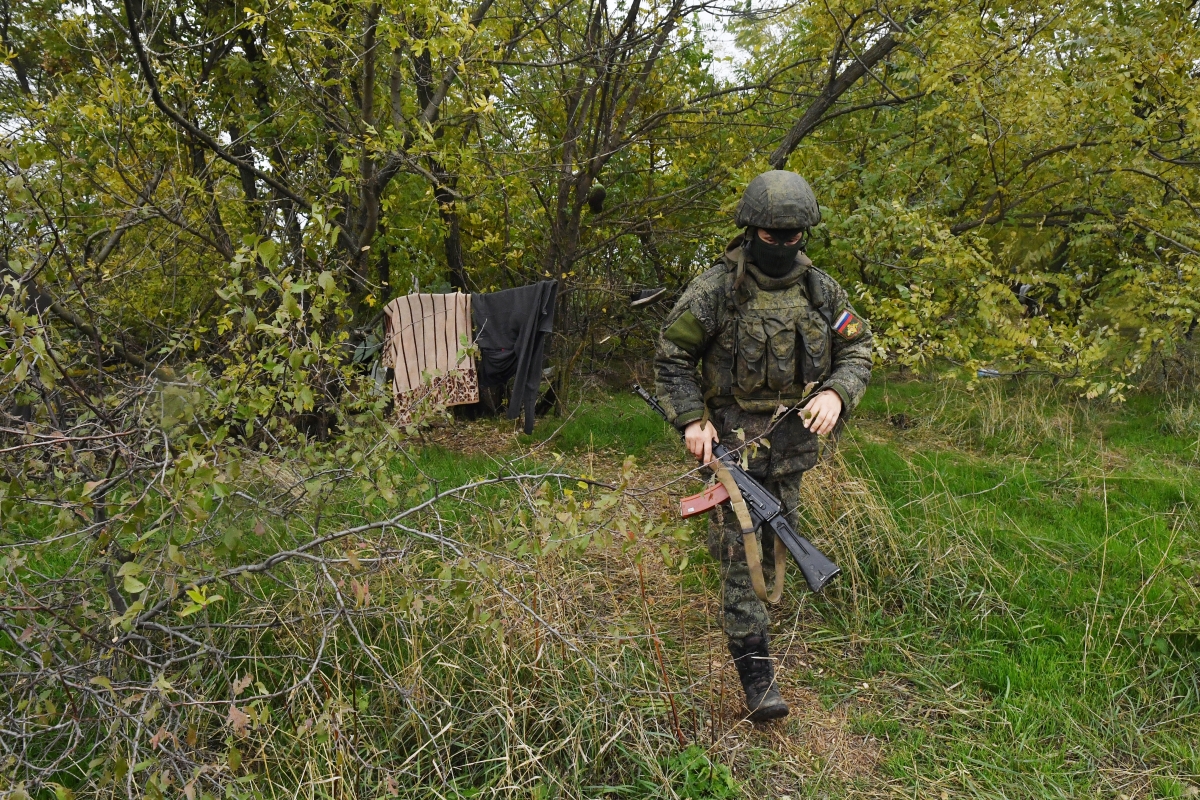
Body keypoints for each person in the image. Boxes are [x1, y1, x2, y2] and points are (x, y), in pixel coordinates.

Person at [654, 170, 873, 722]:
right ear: (750, 231)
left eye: (792, 236)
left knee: (780, 541)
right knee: (740, 552)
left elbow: (859, 349)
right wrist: (691, 420)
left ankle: (758, 619)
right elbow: (672, 359)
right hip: (731, 443)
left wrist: (839, 395)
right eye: (772, 236)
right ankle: (756, 674)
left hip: (793, 443)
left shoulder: (821, 290)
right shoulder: (716, 290)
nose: (782, 245)